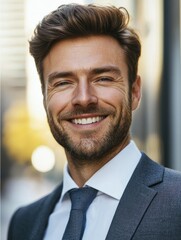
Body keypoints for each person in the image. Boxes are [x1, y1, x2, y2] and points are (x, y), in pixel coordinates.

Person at [8, 4, 181, 240]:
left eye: (103, 78)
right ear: (45, 97)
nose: (83, 98)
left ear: (135, 92)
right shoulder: (24, 224)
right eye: (63, 82)